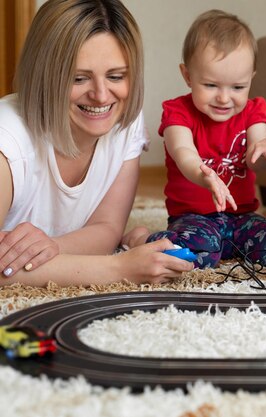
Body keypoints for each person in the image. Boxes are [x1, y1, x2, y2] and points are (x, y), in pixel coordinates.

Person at [0, 0, 193, 287]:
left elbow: (108, 228)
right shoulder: (8, 140)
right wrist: (118, 269)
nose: (102, 96)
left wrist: (52, 247)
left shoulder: (124, 121)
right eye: (79, 78)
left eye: (116, 76)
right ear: (44, 77)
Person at [124, 10, 266, 268]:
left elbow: (254, 159)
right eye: (211, 85)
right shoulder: (178, 112)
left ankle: (232, 245)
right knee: (195, 255)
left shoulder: (254, 111)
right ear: (188, 76)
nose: (224, 98)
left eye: (238, 87)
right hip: (195, 218)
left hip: (242, 217)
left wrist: (264, 151)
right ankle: (141, 239)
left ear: (251, 79)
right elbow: (183, 152)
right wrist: (202, 174)